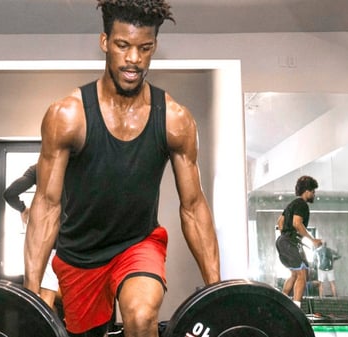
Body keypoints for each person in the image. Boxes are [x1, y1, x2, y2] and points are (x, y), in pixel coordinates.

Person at [23, 1, 221, 336]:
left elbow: (193, 206)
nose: (133, 59)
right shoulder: (68, 116)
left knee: (142, 317)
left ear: (154, 47)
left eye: (144, 48)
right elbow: (46, 204)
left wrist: (218, 291)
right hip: (79, 253)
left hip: (138, 243)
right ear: (104, 42)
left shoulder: (175, 119)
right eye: (122, 45)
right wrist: (30, 293)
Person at [3, 163, 61, 311]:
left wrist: (23, 209)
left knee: (44, 297)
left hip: (46, 240)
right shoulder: (78, 166)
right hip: (76, 241)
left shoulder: (39, 168)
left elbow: (9, 194)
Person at [276, 175, 322, 308]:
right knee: (303, 272)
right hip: (289, 242)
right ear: (307, 191)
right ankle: (297, 307)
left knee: (295, 274)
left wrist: (285, 236)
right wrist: (312, 240)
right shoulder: (302, 204)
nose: (314, 194)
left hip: (282, 241)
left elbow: (280, 222)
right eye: (313, 192)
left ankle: (281, 304)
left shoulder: (292, 204)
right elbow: (297, 223)